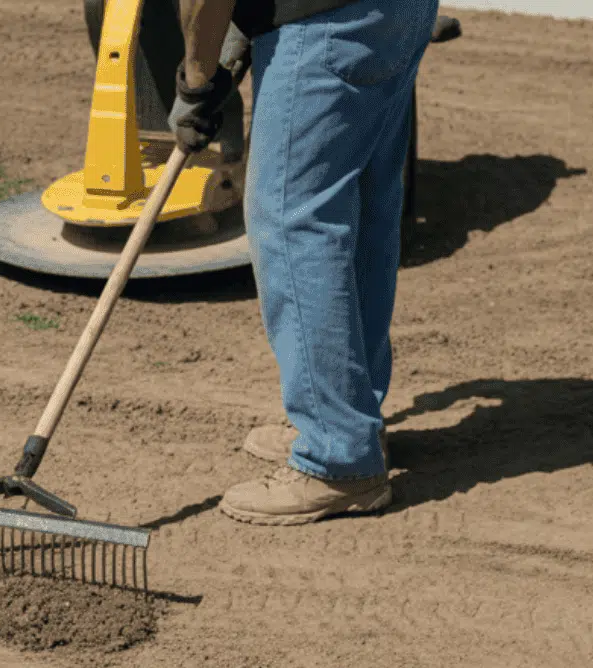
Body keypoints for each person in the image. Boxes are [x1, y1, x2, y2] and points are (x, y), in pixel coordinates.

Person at [172, 0, 437, 524]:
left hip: (327, 24)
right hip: (395, 14)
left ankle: (337, 456)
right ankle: (351, 420)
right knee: (359, 202)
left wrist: (197, 83)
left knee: (292, 219)